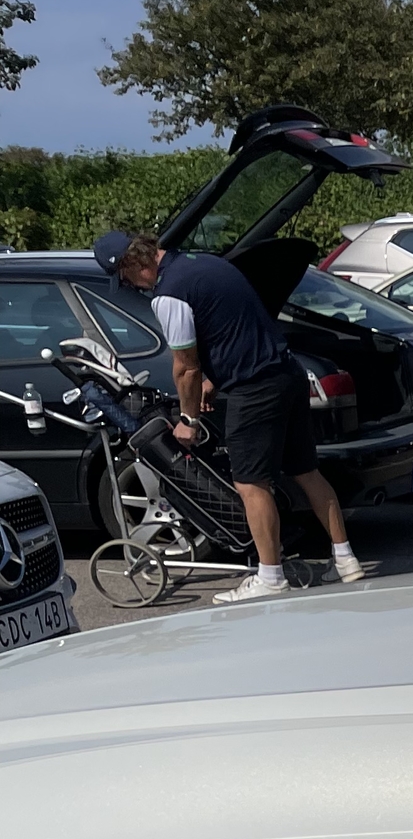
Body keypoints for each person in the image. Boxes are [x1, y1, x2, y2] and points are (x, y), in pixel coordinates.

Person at [93, 229, 360, 604]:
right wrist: (215, 381)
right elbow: (232, 328)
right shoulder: (205, 263)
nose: (131, 286)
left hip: (255, 390)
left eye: (124, 278)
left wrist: (188, 420)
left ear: (132, 263)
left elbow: (185, 367)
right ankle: (346, 560)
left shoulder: (170, 294)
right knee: (307, 472)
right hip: (287, 373)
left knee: (252, 485)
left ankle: (270, 576)